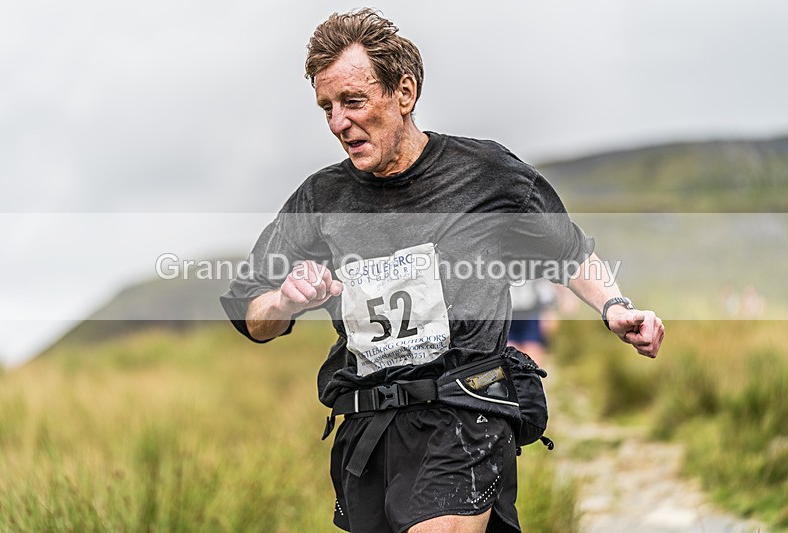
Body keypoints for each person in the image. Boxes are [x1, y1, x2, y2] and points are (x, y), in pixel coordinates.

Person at [220, 9, 664, 533]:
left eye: (354, 101)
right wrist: (284, 302)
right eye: (327, 107)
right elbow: (251, 313)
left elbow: (567, 252)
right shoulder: (321, 198)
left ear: (403, 93)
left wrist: (615, 307)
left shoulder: (487, 175)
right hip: (369, 431)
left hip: (464, 414)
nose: (339, 122)